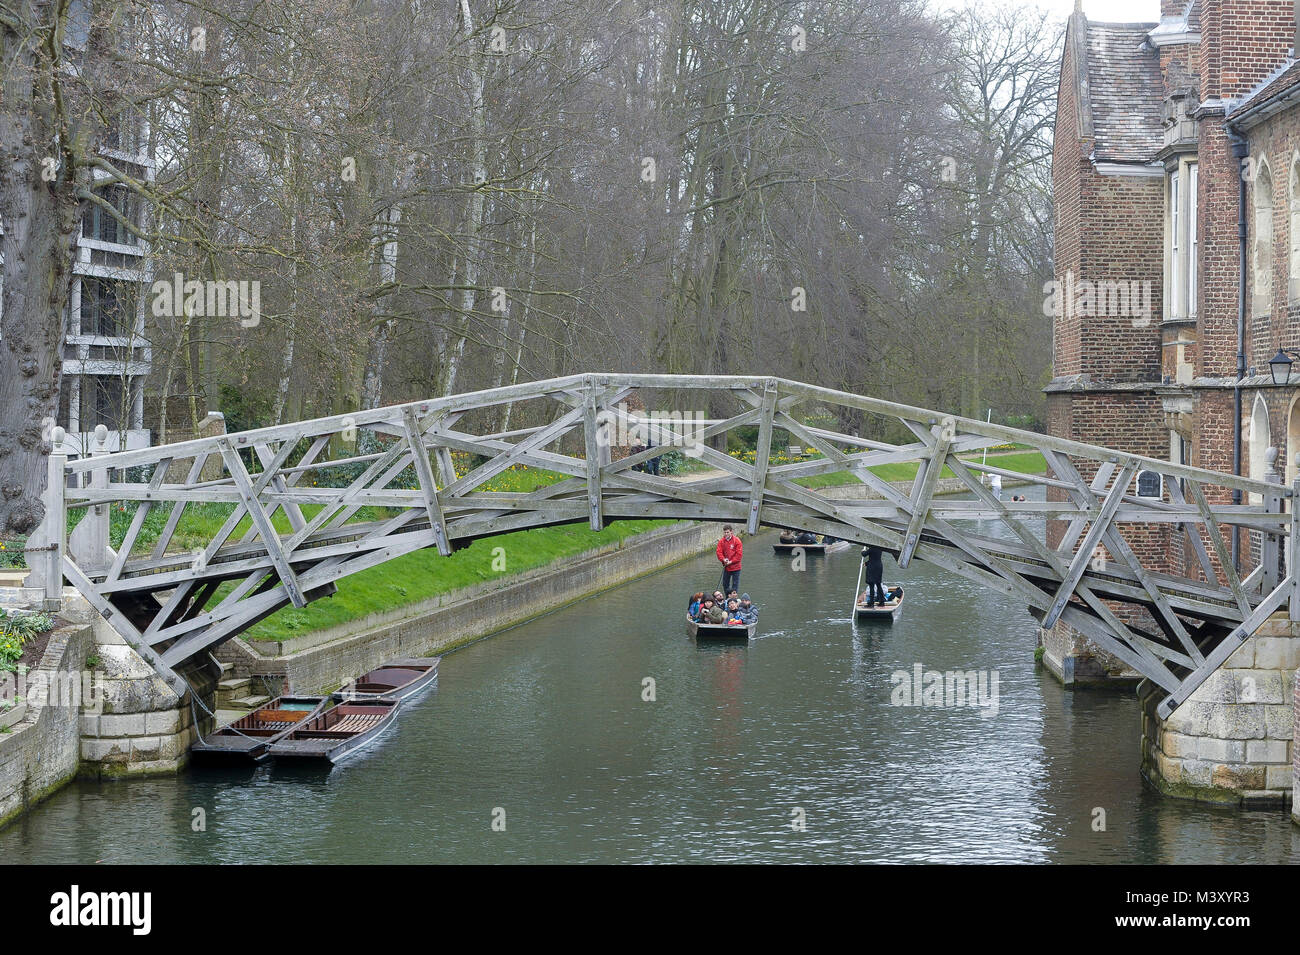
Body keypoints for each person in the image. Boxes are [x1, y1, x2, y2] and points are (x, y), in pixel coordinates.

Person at [716, 525, 743, 594]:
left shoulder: (737, 541)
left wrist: (731, 561)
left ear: (731, 532)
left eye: (727, 532)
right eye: (725, 532)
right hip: (727, 567)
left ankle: (733, 599)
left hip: (736, 567)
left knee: (735, 585)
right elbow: (719, 552)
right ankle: (727, 597)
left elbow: (739, 555)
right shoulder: (721, 541)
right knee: (725, 584)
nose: (726, 534)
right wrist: (723, 559)